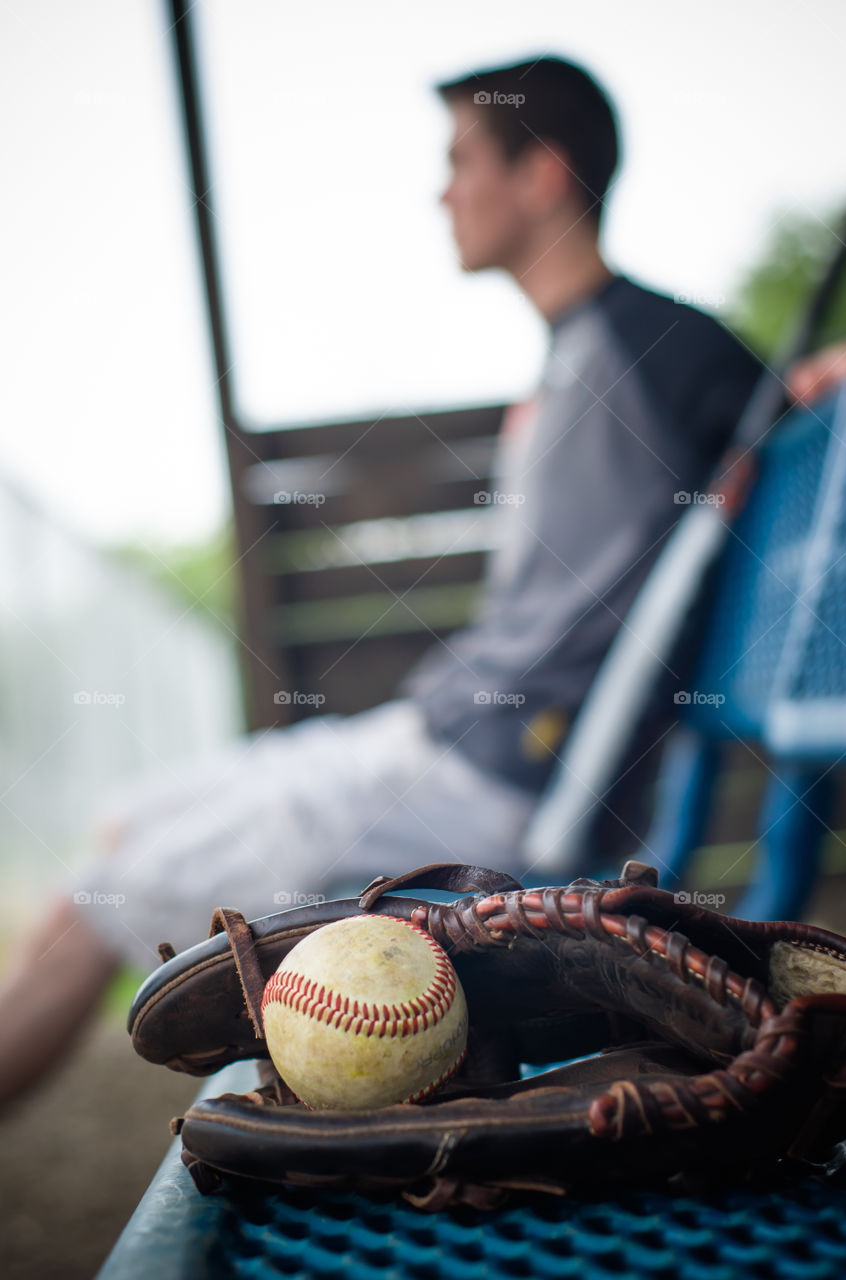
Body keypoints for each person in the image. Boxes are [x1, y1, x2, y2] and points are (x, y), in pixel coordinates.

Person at [0, 56, 762, 1109]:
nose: (441, 189)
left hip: (487, 784)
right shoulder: (580, 353)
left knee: (99, 897)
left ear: (540, 177)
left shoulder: (649, 345)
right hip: (428, 737)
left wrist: (814, 383)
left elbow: (767, 399)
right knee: (126, 819)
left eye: (460, 160)